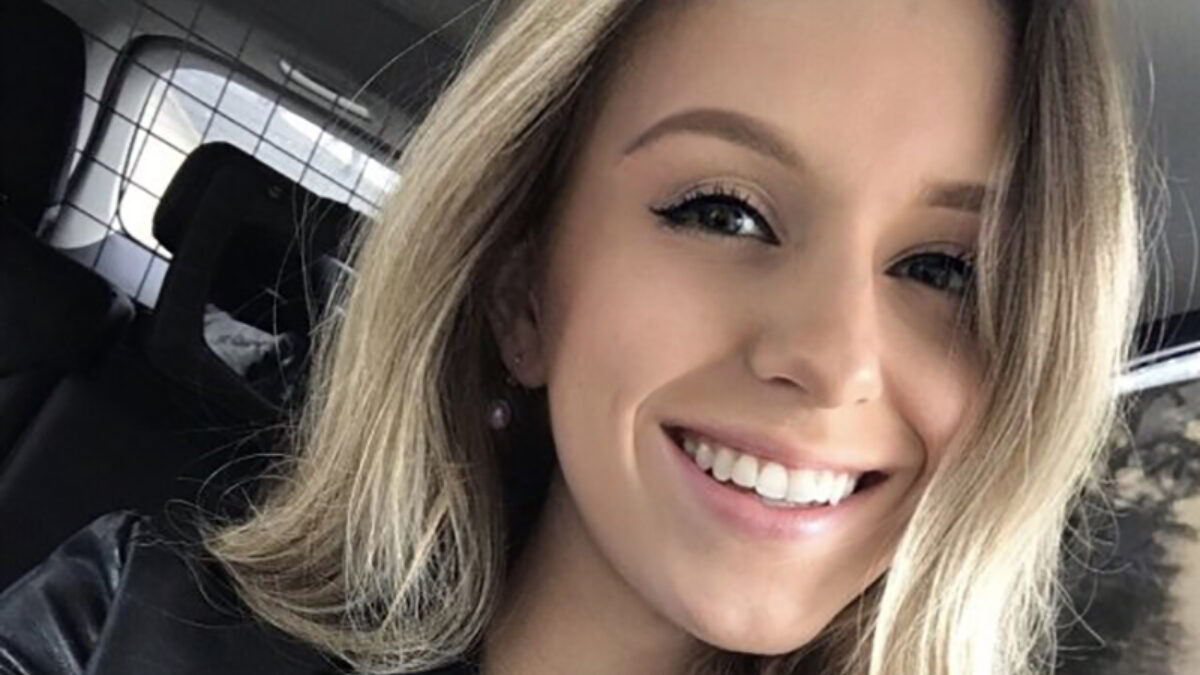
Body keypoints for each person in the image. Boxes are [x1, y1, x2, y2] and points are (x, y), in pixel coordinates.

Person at [0, 0, 1144, 674]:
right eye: (722, 212)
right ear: (523, 298)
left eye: (945, 271)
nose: (834, 357)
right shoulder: (130, 629)